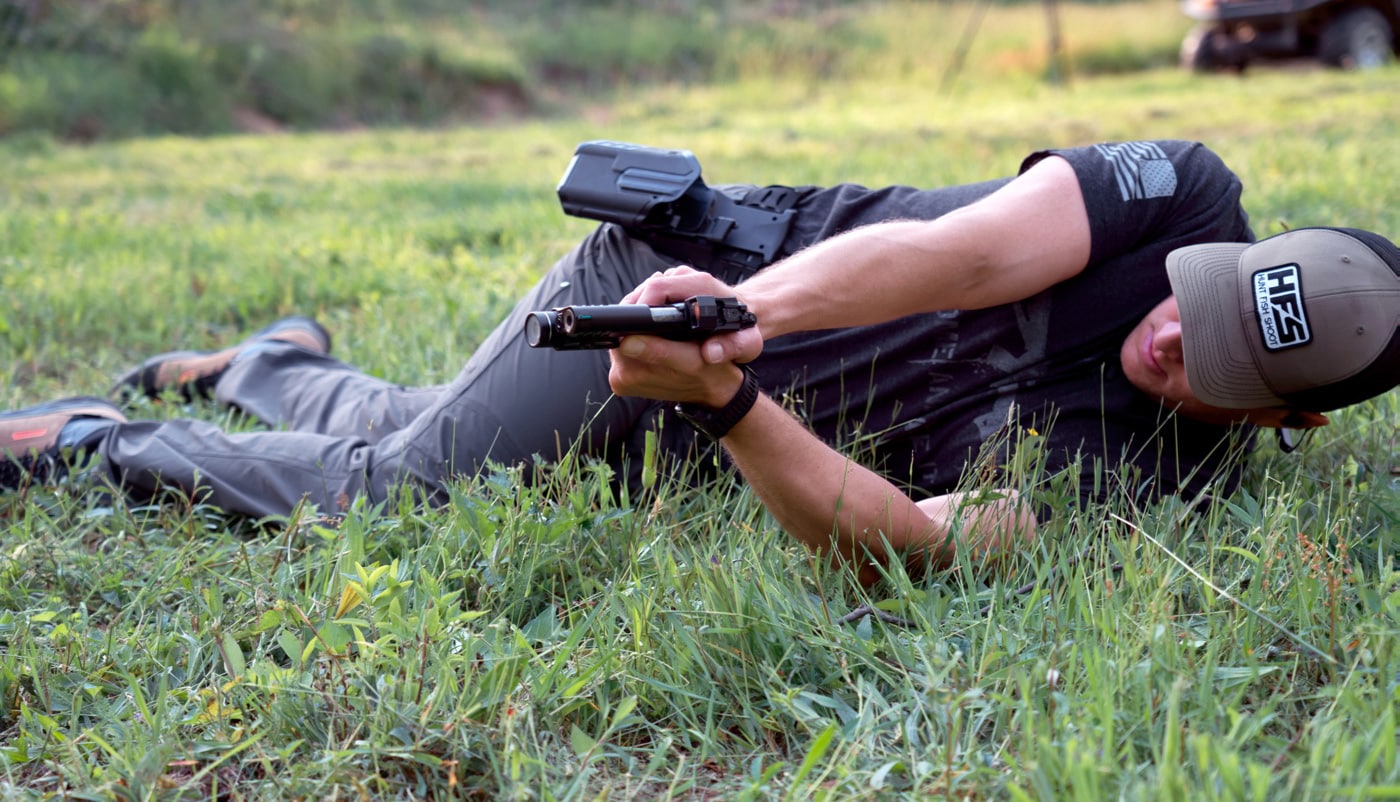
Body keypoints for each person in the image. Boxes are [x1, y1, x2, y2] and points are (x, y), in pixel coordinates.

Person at [2, 140, 1396, 582]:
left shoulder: (1159, 488)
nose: (1166, 327)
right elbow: (958, 256)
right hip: (687, 288)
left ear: (1290, 423)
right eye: (1196, 299)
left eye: (1205, 356)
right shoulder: (1183, 199)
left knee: (431, 432)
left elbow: (907, 540)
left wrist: (728, 401)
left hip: (712, 407)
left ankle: (267, 359)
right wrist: (738, 326)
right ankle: (80, 444)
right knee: (408, 492)